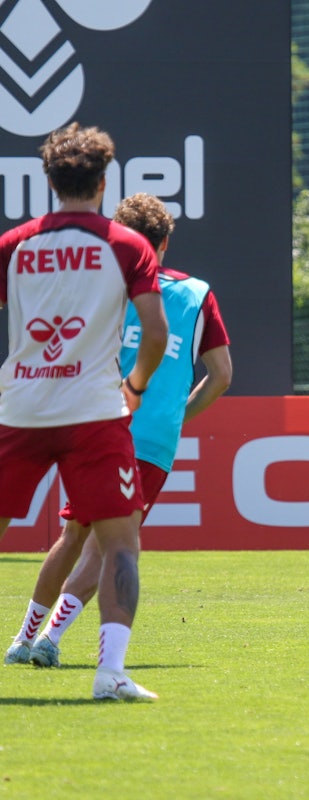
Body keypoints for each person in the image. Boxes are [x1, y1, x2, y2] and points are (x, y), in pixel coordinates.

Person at [4, 192, 232, 672]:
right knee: (112, 546)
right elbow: (222, 373)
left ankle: (23, 638)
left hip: (91, 420)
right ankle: (51, 639)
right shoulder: (197, 293)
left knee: (73, 534)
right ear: (165, 242)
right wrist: (176, 416)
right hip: (149, 439)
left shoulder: (102, 287)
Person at [0, 123, 169, 700]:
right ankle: (109, 674)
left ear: (48, 180)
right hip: (94, 412)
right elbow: (155, 332)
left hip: (20, 407)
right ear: (103, 181)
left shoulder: (14, 245)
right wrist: (137, 386)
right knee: (120, 544)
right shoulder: (128, 245)